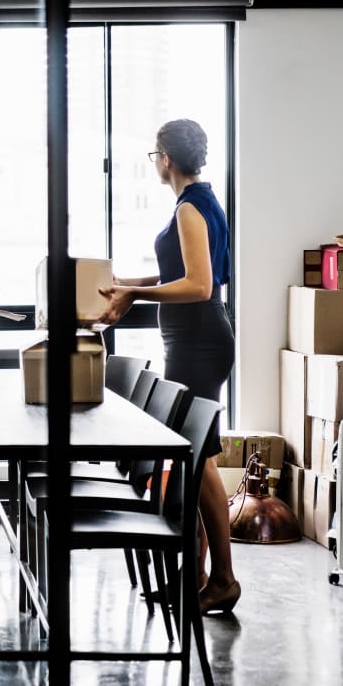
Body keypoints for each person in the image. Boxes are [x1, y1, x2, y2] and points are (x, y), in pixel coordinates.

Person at [96, 118, 241, 616]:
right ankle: (196, 574)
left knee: (197, 462)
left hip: (199, 338)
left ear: (167, 158)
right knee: (195, 459)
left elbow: (199, 285)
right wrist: (128, 281)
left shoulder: (188, 208)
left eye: (154, 152)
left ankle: (221, 579)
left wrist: (134, 292)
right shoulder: (200, 201)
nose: (153, 160)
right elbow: (181, 272)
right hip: (196, 336)